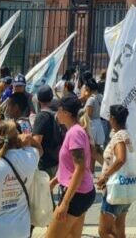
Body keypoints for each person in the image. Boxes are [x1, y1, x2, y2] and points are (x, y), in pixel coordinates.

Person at [48, 95, 95, 238]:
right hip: (82, 192)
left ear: (66, 113)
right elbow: (70, 166)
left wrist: (65, 203)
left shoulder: (74, 133)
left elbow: (79, 168)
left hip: (76, 194)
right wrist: (56, 180)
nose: (56, 113)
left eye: (58, 110)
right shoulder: (76, 131)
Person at [95, 105, 133, 238]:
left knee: (104, 231)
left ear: (112, 118)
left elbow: (121, 158)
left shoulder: (118, 137)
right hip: (125, 187)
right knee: (119, 230)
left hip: (115, 189)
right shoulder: (127, 135)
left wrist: (104, 176)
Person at [32, 86, 64, 176]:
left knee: (43, 189)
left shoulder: (41, 117)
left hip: (44, 163)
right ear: (51, 98)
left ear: (38, 99)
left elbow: (36, 141)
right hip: (55, 160)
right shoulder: (55, 114)